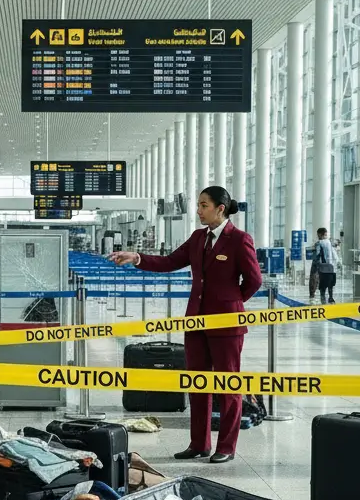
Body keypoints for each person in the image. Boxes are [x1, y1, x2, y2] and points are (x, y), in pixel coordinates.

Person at [108, 186, 262, 464]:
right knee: (197, 384)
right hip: (195, 323)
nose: (199, 210)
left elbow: (254, 281)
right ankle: (199, 444)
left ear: (220, 209)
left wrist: (231, 305)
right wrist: (137, 258)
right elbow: (169, 262)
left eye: (204, 205)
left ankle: (225, 446)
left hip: (227, 326)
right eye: (199, 205)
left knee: (228, 386)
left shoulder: (239, 239)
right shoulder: (197, 238)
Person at [311, 227, 341, 303]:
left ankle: (323, 302)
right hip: (332, 268)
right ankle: (331, 298)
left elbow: (317, 255)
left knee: (322, 287)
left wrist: (315, 266)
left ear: (320, 234)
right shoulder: (330, 243)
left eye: (318, 235)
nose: (317, 236)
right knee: (330, 285)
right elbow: (335, 255)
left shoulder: (319, 243)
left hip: (323, 268)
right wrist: (337, 263)